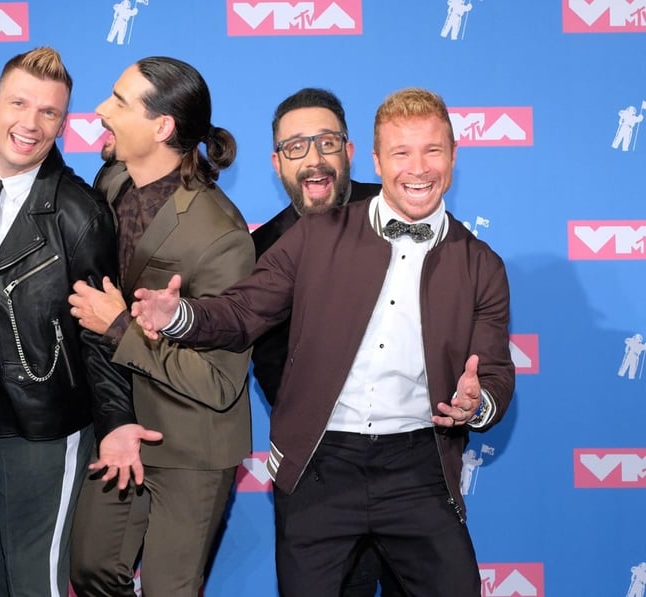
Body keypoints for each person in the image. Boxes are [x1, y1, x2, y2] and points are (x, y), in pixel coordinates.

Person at [130, 87, 515, 596]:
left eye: (432, 150)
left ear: (453, 156)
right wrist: (178, 314)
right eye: (401, 152)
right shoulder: (315, 235)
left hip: (420, 468)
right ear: (376, 160)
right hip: (319, 464)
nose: (418, 168)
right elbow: (244, 310)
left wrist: (477, 403)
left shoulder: (481, 263)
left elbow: (494, 371)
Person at [0, 47, 129, 597]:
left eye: (49, 113)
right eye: (19, 104)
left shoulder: (79, 212)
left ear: (64, 123)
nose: (31, 123)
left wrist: (116, 424)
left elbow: (101, 334)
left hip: (46, 429)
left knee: (36, 586)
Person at [66, 56, 254, 597]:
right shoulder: (113, 179)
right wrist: (2, 154)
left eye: (119, 102)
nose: (101, 110)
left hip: (192, 444)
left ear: (162, 126)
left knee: (170, 591)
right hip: (124, 429)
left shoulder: (221, 234)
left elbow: (219, 382)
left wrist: (120, 326)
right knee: (93, 569)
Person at [253, 87, 403, 597]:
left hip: (410, 465)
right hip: (320, 468)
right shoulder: (262, 249)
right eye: (296, 147)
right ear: (277, 163)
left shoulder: (403, 216)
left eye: (326, 143)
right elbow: (271, 365)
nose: (314, 159)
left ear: (350, 151)